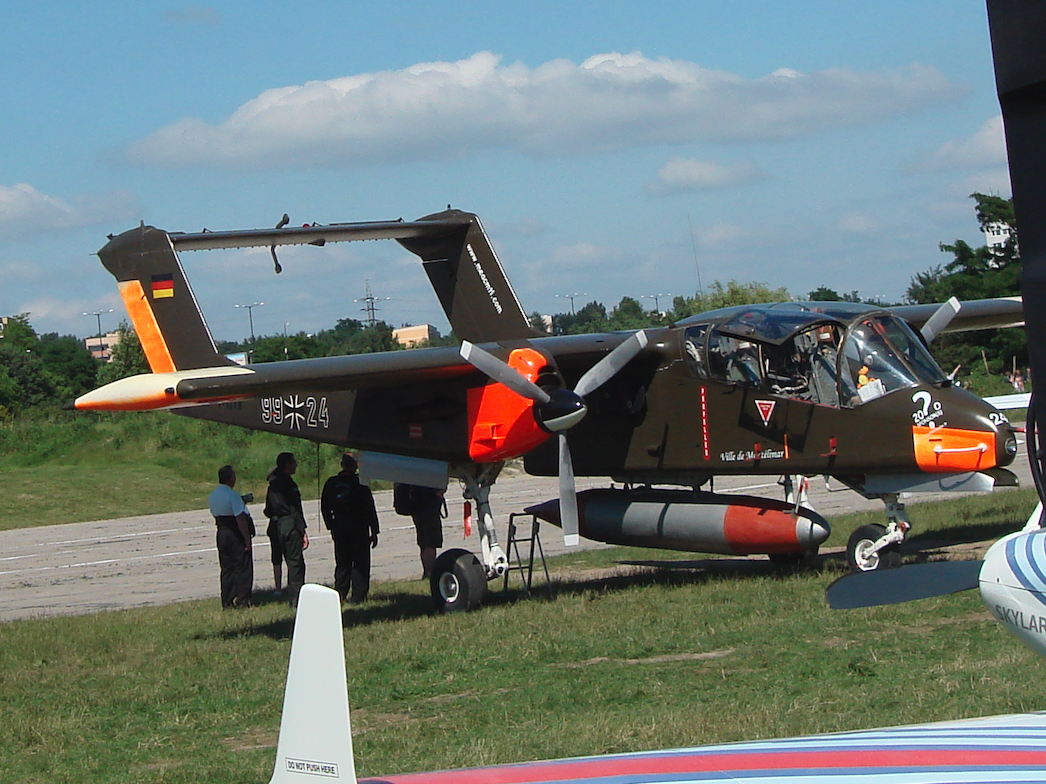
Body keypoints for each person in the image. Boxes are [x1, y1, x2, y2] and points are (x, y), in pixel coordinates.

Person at [320, 453, 380, 604]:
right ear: (356, 466)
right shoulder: (361, 483)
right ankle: (358, 596)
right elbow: (369, 508)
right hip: (359, 528)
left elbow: (325, 506)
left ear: (342, 464)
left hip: (340, 527)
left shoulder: (331, 483)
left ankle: (340, 594)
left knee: (343, 562)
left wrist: (331, 525)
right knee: (360, 563)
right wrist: (374, 530)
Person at [264, 452, 309, 606]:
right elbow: (296, 509)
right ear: (288, 465)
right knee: (295, 562)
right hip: (290, 523)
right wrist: (302, 530)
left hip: (277, 525)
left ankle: (292, 594)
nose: (296, 465)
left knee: (283, 558)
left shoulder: (272, 486)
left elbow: (268, 510)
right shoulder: (289, 484)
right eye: (293, 462)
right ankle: (296, 598)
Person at [208, 464, 254, 609]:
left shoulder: (213, 495)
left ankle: (227, 600)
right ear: (231, 478)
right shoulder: (232, 495)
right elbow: (240, 518)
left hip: (221, 530)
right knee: (242, 566)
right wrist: (246, 538)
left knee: (226, 568)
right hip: (234, 532)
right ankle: (242, 599)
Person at [408, 484, 446, 579]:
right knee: (430, 544)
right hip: (429, 510)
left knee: (423, 544)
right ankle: (430, 573)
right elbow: (438, 491)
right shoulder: (429, 476)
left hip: (417, 509)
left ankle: (426, 572)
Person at [264, 466, 285, 598]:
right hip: (285, 523)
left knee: (276, 558)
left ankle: (278, 587)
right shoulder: (286, 486)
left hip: (275, 524)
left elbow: (268, 510)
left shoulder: (272, 489)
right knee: (289, 556)